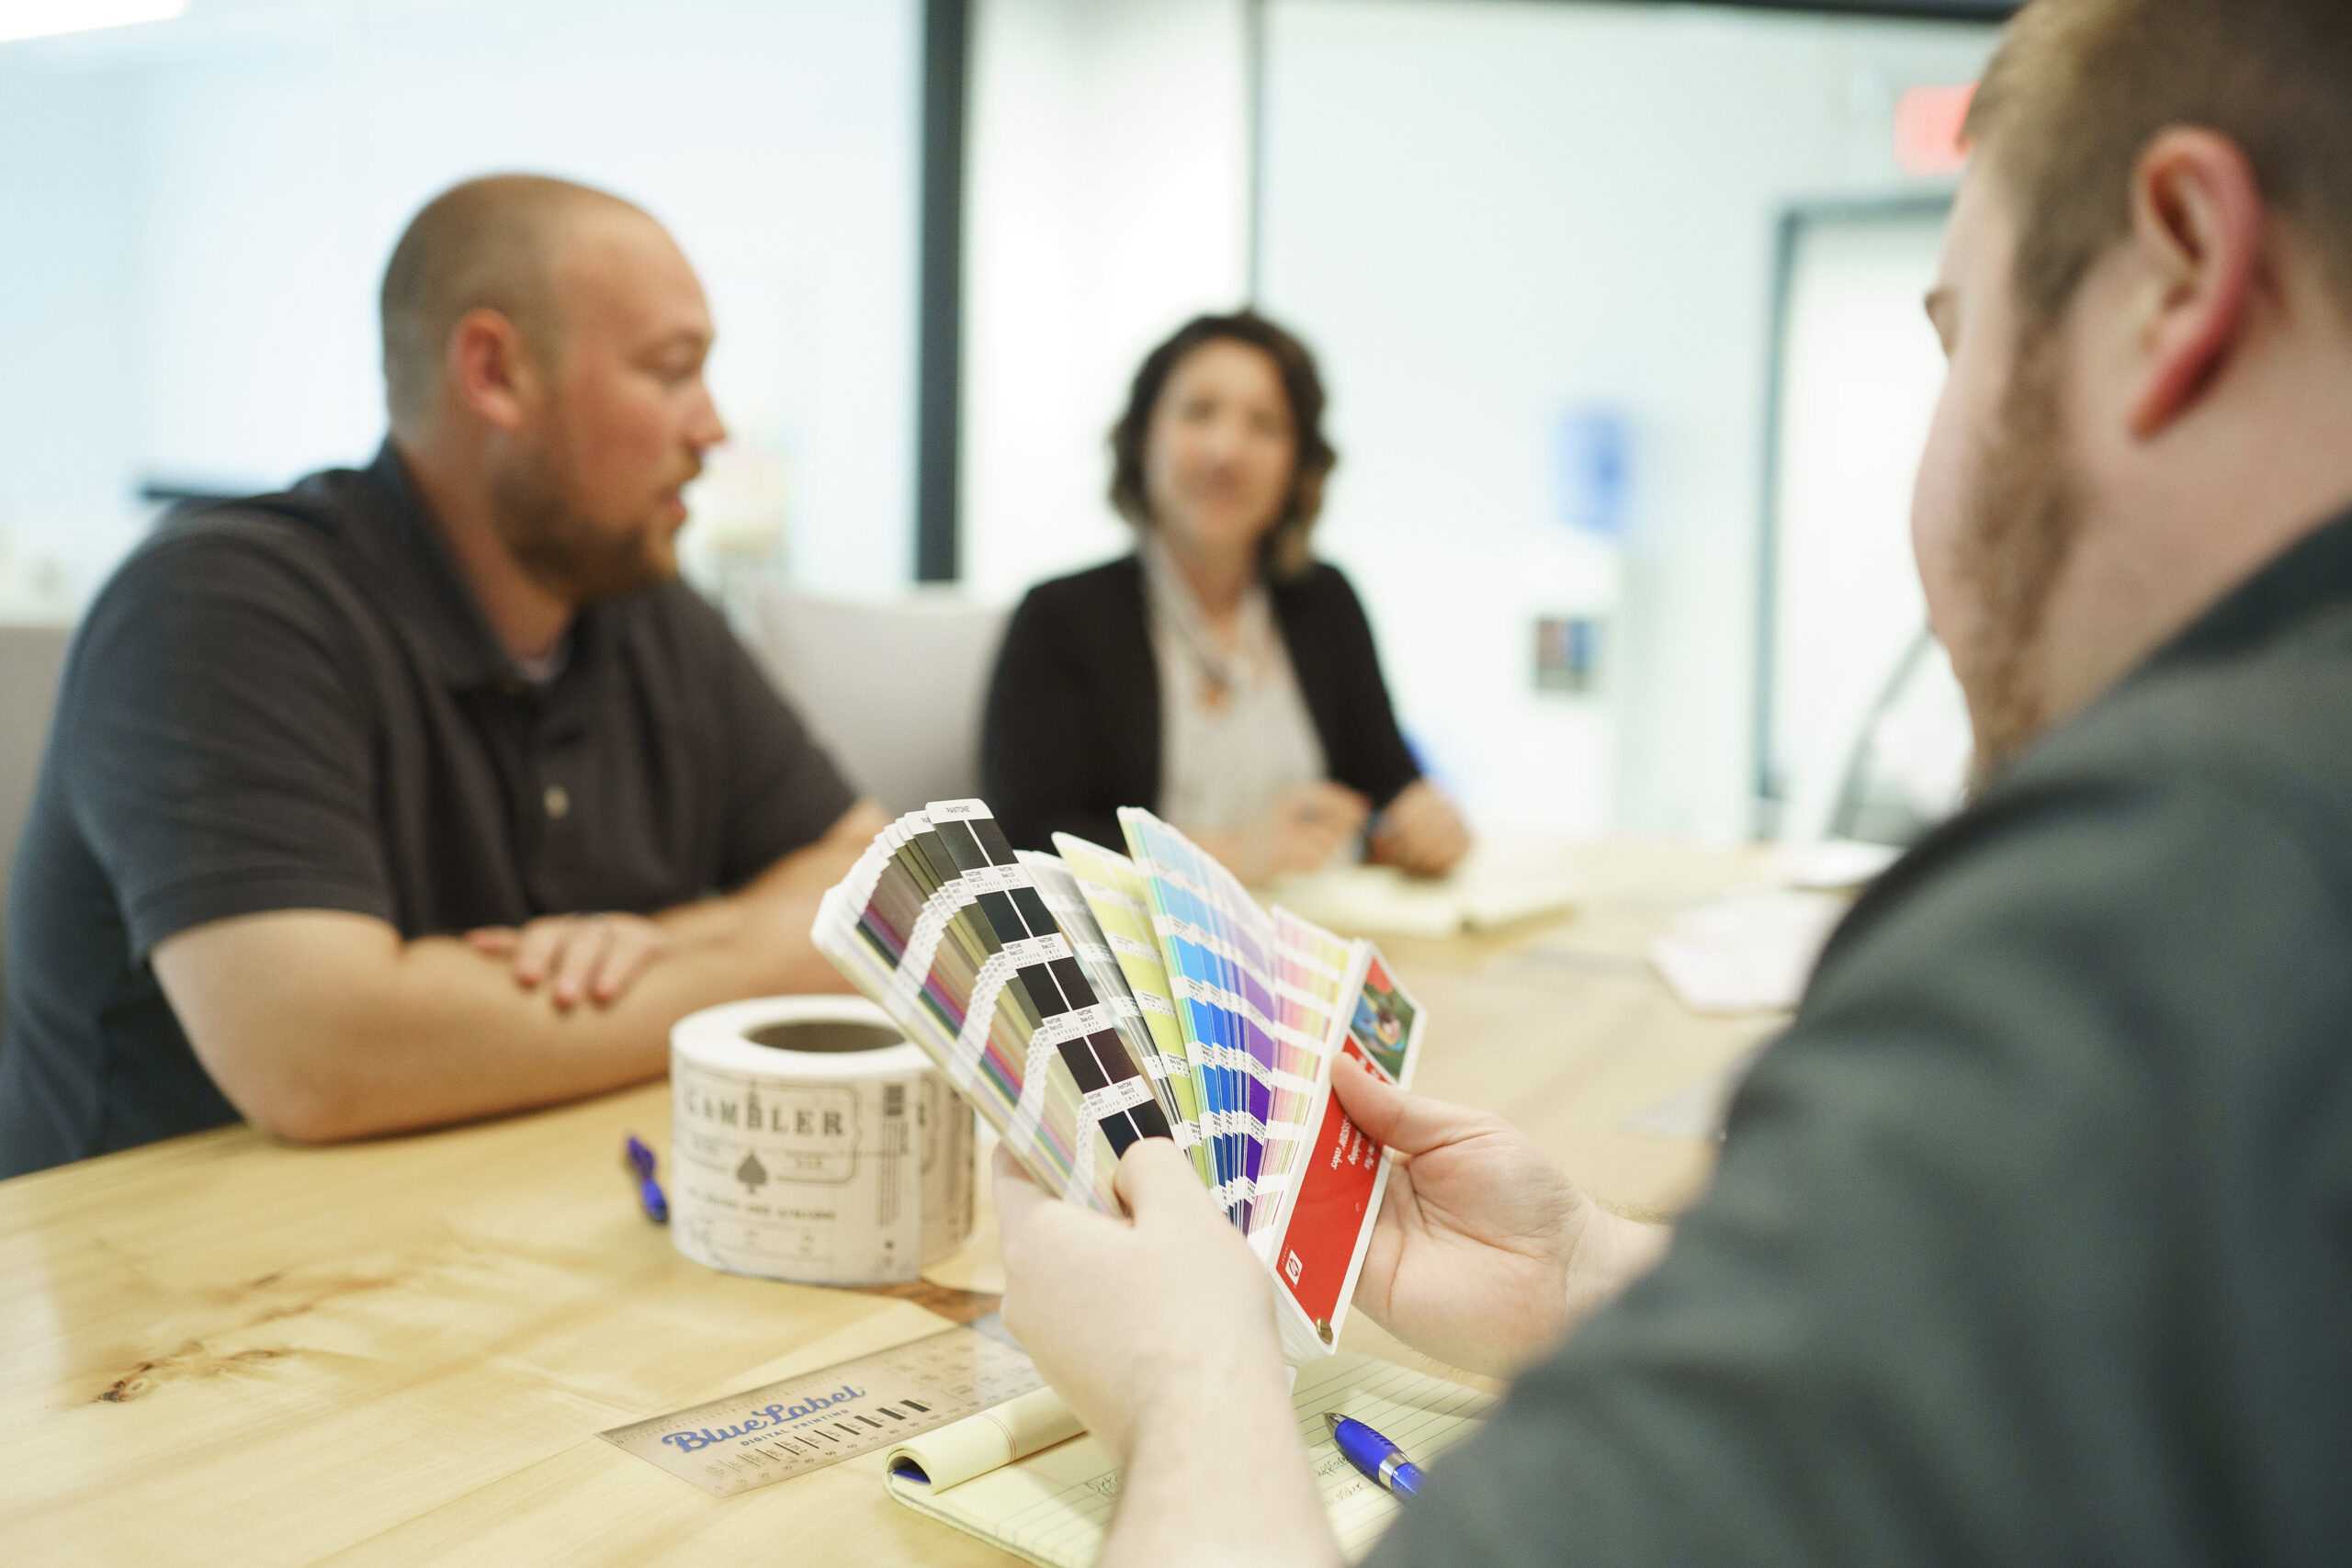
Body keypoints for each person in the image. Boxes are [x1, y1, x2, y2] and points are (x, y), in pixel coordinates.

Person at [992, 0, 2352, 1561]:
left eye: (1955, 335)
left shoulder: (2157, 906)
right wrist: (1585, 1269)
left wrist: (1185, 1375)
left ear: (2182, 269)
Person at [0, 175, 887, 1177]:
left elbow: (878, 890)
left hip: (497, 1238)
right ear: (495, 371)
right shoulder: (218, 603)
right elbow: (316, 1055)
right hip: (186, 1300)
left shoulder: (643, 605)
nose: (713, 428)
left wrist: (658, 942)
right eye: (670, 371)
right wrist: (763, 957)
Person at [980, 312, 1469, 884]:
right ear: (1143, 437)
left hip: (1312, 945)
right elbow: (1030, 840)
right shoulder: (1061, 617)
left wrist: (1418, 827)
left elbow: (1386, 786)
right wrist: (1229, 856)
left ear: (1298, 462)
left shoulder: (1325, 602)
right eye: (1198, 412)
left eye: (1265, 424)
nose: (1226, 450)